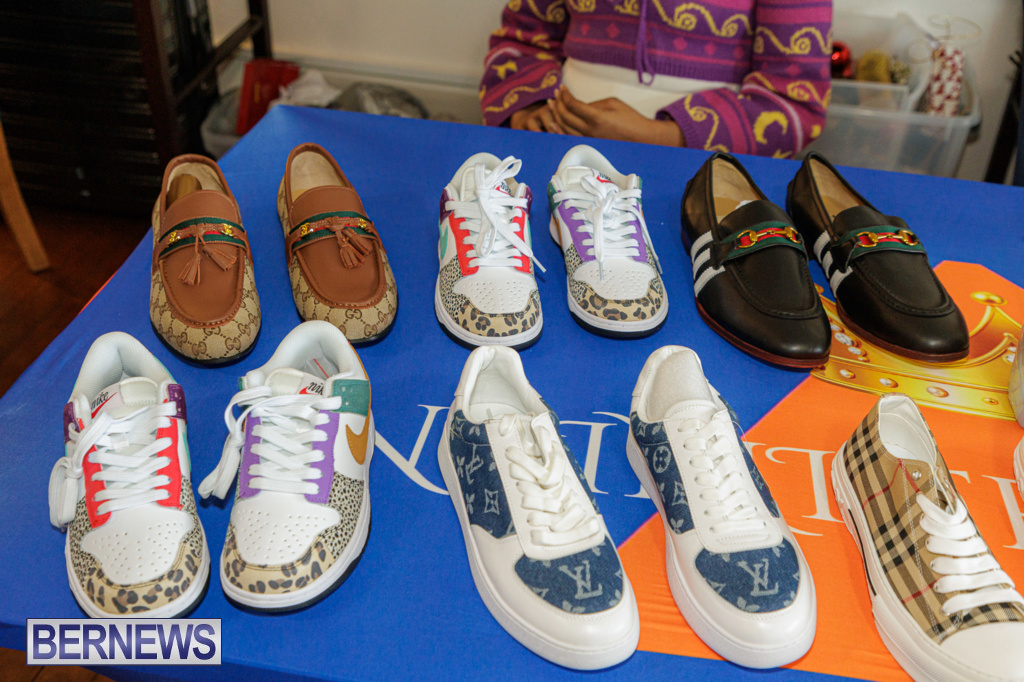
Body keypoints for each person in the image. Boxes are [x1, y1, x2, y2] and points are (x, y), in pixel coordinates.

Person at [479, 0, 832, 157]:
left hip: (704, 177)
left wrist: (661, 136)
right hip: (556, 150)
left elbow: (794, 99)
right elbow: (523, 37)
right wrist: (527, 109)